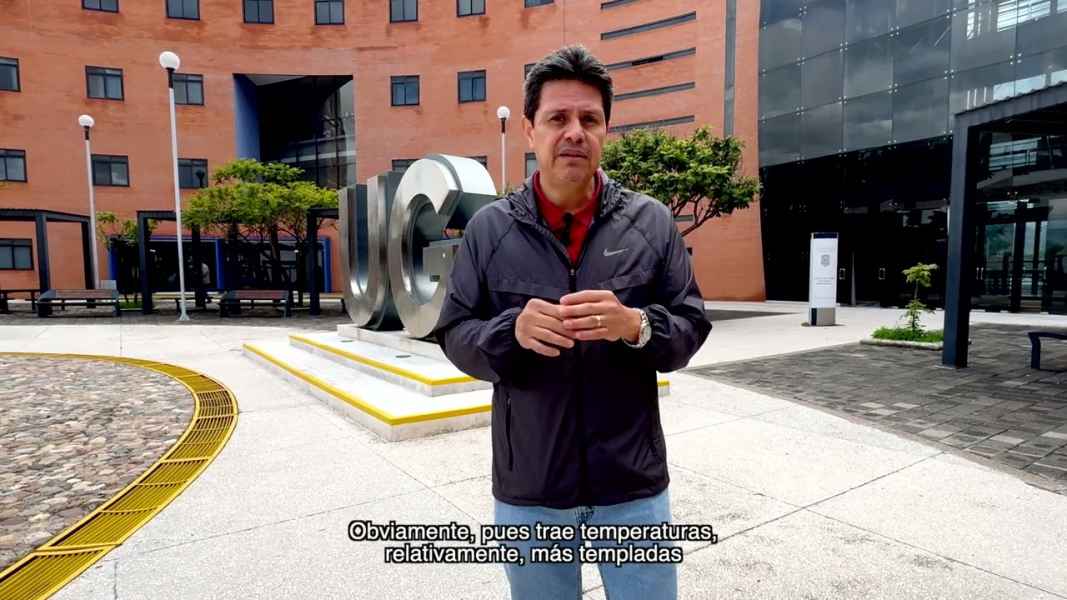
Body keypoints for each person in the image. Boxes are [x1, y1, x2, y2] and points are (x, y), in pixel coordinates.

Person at [431, 44, 711, 600]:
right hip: (531, 490)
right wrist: (508, 332)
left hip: (632, 488)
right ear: (530, 129)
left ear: (607, 130)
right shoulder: (489, 230)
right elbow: (454, 333)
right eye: (558, 118)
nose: (574, 133)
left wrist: (636, 325)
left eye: (590, 119)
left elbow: (691, 324)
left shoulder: (652, 222)